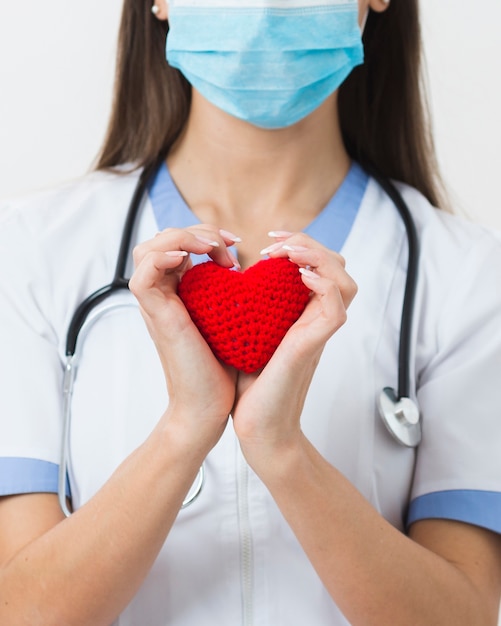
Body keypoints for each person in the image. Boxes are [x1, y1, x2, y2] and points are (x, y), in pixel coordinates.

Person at [0, 0, 500, 624]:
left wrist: (282, 450)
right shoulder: (30, 251)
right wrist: (186, 427)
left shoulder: (470, 277)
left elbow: (465, 614)